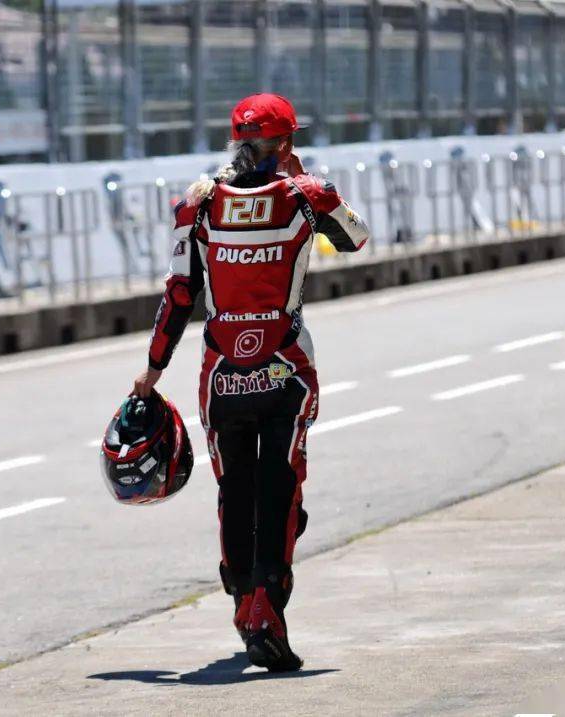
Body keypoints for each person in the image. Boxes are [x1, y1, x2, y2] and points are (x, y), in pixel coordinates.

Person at [131, 93, 370, 671]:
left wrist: (152, 371)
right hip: (287, 367)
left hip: (221, 375)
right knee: (281, 491)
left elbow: (179, 295)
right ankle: (267, 608)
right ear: (285, 142)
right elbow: (355, 237)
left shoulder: (196, 204)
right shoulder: (307, 194)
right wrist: (303, 177)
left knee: (234, 489)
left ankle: (243, 597)